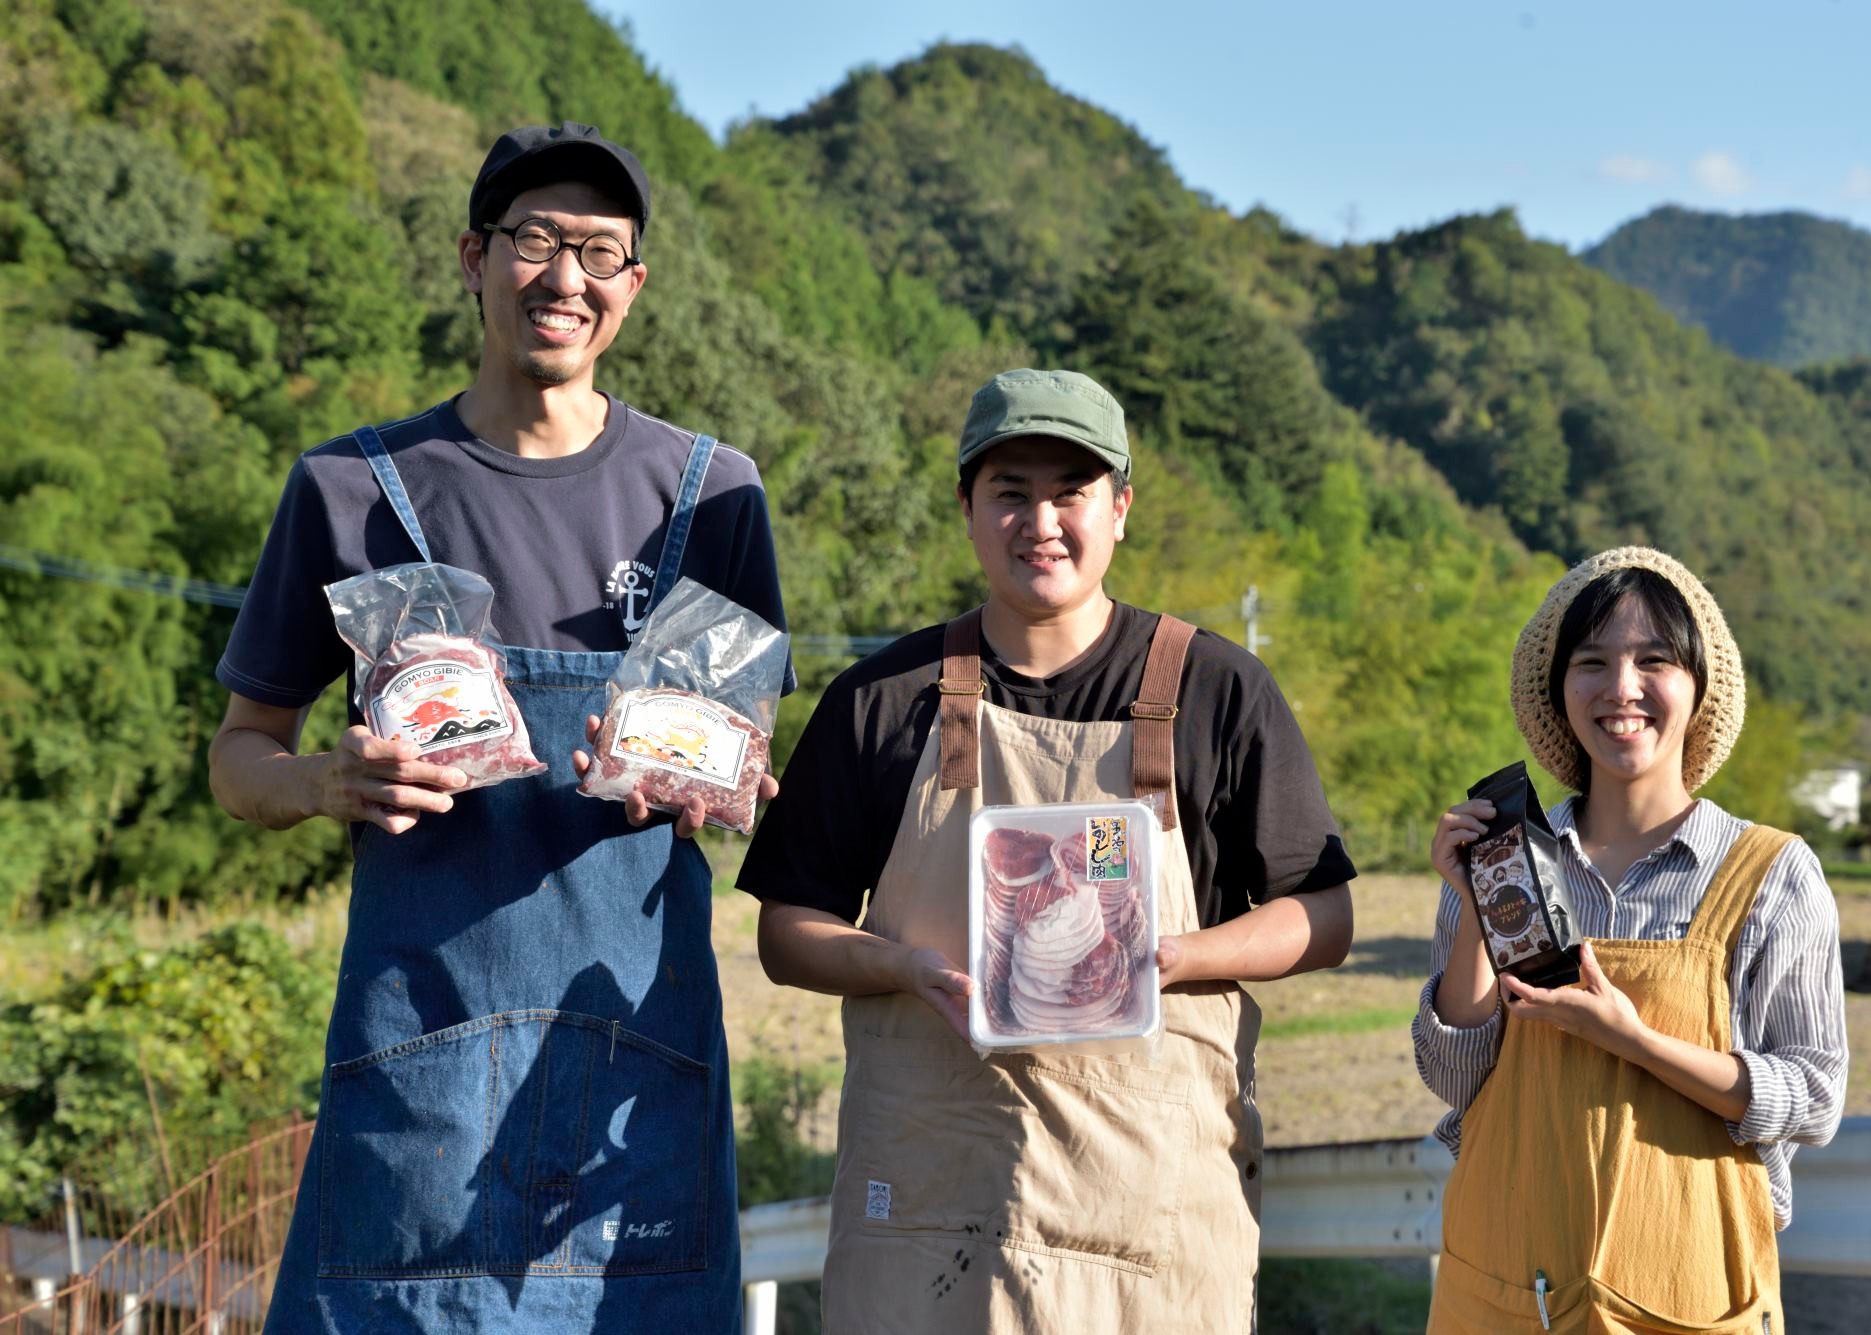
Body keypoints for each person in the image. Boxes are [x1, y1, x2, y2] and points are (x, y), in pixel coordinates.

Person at [207, 122, 787, 1331]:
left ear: (633, 284)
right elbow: (238, 757)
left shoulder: (713, 498)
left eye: (599, 251)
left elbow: (741, 751)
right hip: (418, 1067)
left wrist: (716, 785)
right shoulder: (350, 489)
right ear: (474, 258)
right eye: (534, 240)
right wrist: (323, 781)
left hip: (637, 1083)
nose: (564, 277)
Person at [736, 368, 1357, 1332]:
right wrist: (902, 967)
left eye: (1071, 492)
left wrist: (1174, 955)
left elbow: (1323, 915)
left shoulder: (1218, 690)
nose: (1041, 522)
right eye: (1010, 493)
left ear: (1121, 508)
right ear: (966, 508)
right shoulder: (881, 698)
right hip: (929, 1223)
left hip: (1149, 1233)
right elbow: (787, 932)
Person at [1414, 547, 1847, 1333]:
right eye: (1592, 662)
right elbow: (1453, 1075)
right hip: (1507, 1292)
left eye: (1654, 660)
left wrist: (1634, 1041)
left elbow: (1814, 1095)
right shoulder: (1502, 856)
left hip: (1690, 1294)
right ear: (1558, 691)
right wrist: (1478, 903)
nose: (1621, 688)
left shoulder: (1772, 874)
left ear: (1698, 685)